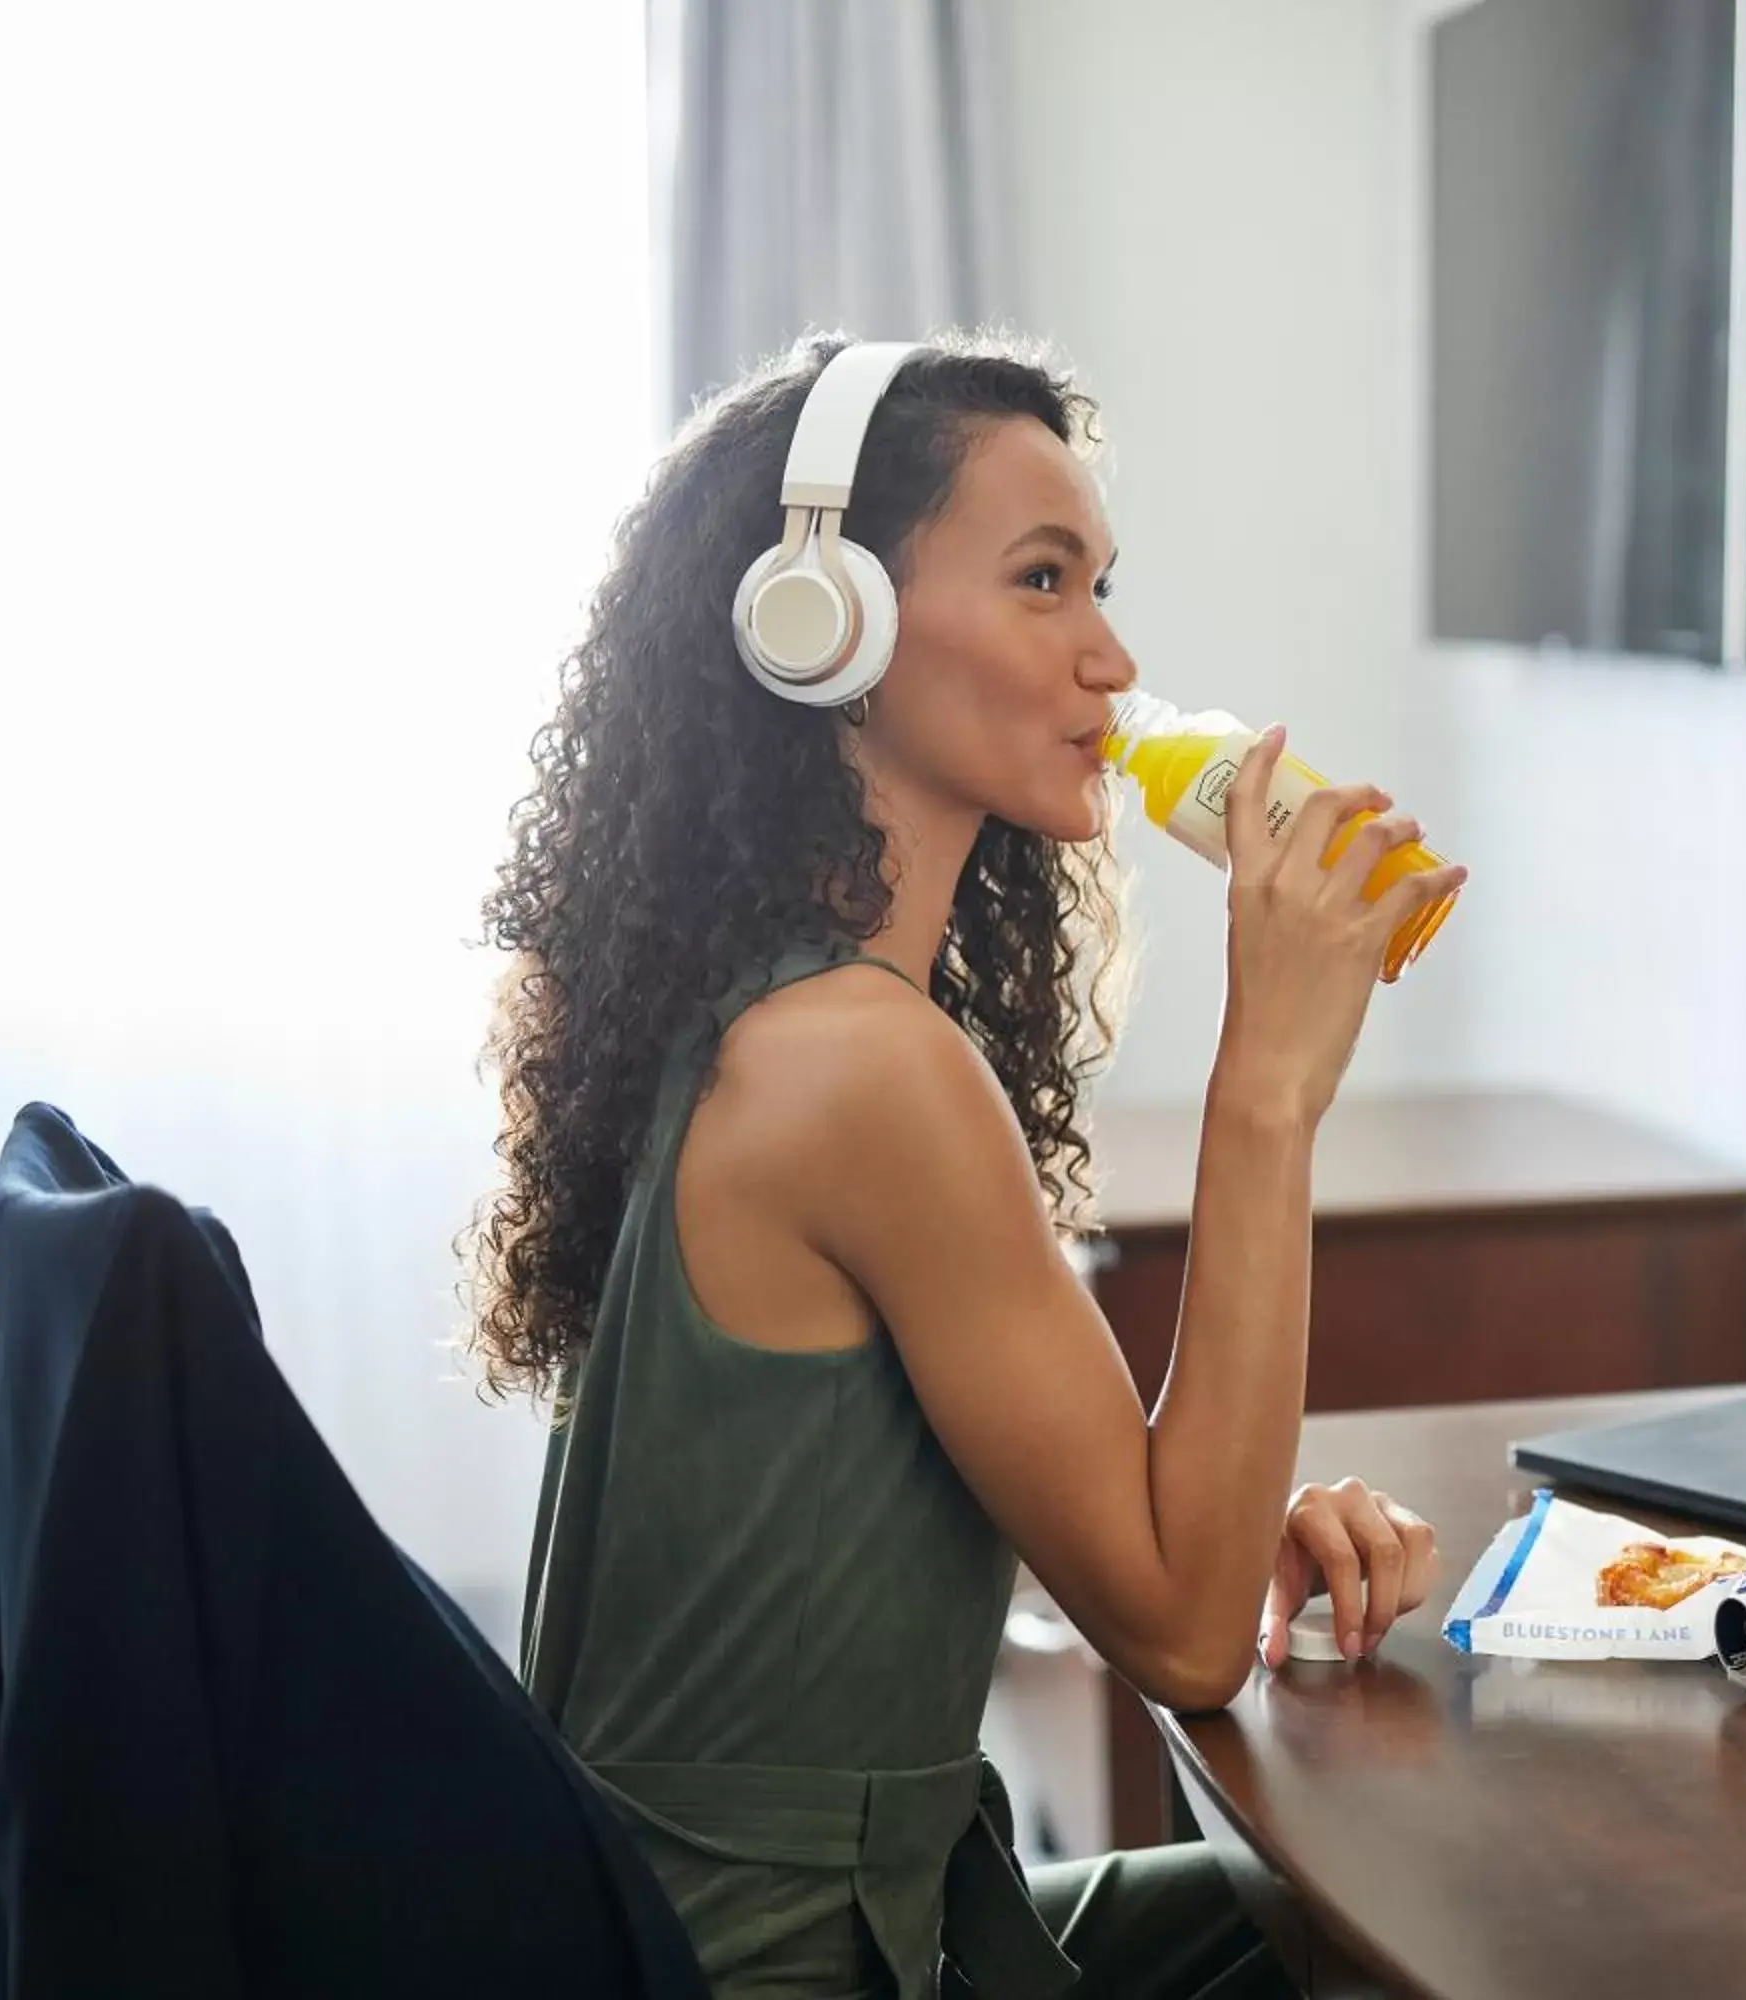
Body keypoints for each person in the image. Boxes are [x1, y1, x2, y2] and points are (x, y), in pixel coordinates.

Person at [471, 331, 1463, 1999]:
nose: (1111, 655)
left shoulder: (762, 1012)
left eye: (1101, 584)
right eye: (1042, 581)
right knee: (1424, 1936)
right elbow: (1184, 1633)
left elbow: (885, 1555)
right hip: (774, 1972)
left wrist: (1221, 1514)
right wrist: (1270, 1086)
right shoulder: (863, 1069)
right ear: (824, 623)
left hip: (751, 1937)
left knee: (1380, 1924)